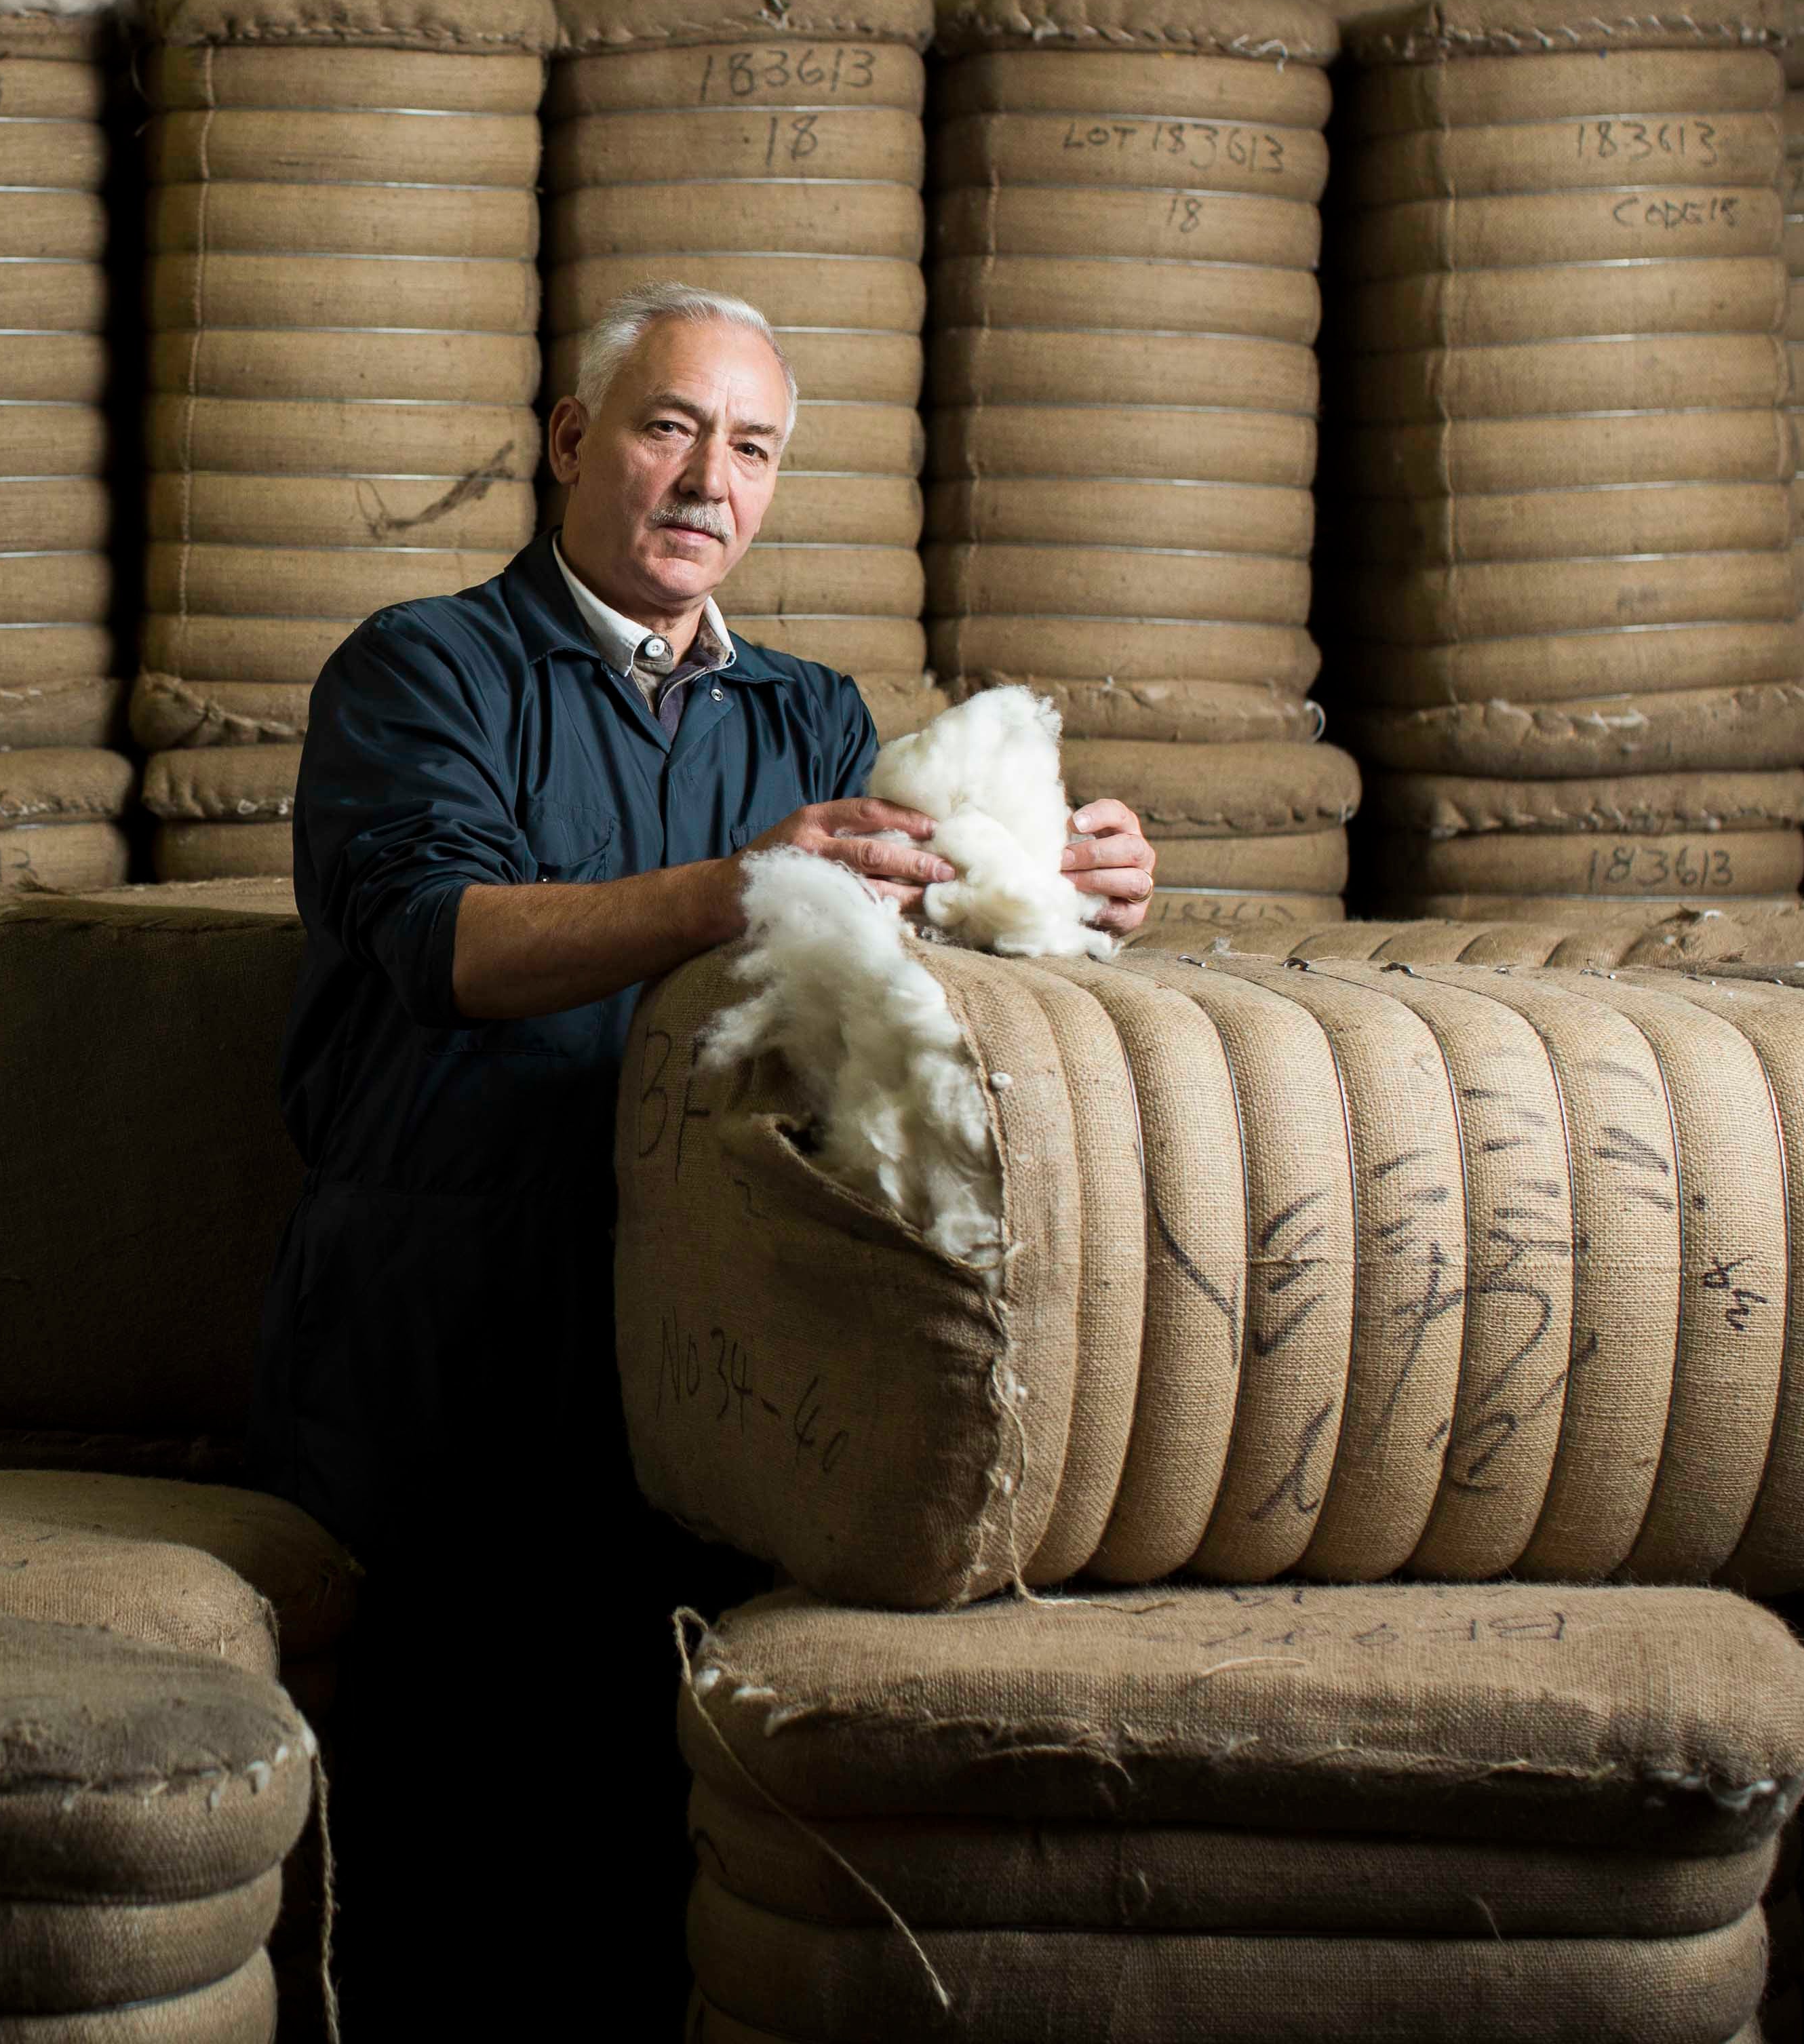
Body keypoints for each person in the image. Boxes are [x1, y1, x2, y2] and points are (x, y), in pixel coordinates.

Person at [251, 281, 1154, 2033]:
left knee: (660, 1886)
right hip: (447, 1353)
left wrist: (1073, 889)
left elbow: (918, 968)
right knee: (446, 1885)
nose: (706, 480)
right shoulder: (419, 673)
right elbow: (452, 948)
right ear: (574, 442)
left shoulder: (807, 717)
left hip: (718, 1359)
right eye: (669, 427)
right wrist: (748, 886)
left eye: (751, 448)